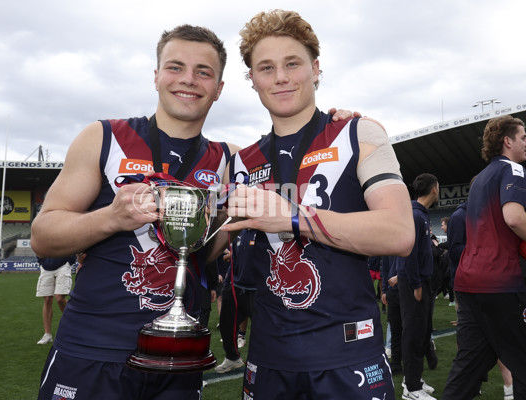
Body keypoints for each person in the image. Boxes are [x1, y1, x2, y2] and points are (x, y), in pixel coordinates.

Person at [31, 24, 238, 400]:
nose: (188, 80)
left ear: (218, 88)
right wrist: (110, 217)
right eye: (175, 67)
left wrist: (345, 123)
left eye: (203, 72)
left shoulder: (228, 160)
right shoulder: (105, 137)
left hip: (179, 356)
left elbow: (205, 254)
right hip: (94, 350)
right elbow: (43, 237)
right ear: (156, 76)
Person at [221, 9, 414, 399]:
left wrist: (292, 216)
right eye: (266, 67)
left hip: (348, 357)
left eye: (292, 63)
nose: (280, 77)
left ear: (316, 68)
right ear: (252, 80)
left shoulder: (359, 132)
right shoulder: (240, 164)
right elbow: (209, 244)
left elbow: (399, 233)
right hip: (269, 360)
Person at [443, 115, 526, 400]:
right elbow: (514, 218)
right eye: (523, 138)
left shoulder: (480, 180)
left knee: (468, 368)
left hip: (469, 281)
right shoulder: (512, 169)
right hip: (501, 281)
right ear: (508, 141)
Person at [393, 173, 439, 400]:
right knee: (413, 333)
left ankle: (413, 379)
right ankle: (411, 389)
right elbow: (408, 253)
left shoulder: (421, 214)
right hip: (413, 282)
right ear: (434, 189)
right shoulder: (414, 215)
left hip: (420, 280)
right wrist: (416, 284)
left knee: (421, 332)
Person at [215, 231, 256, 374]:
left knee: (261, 332)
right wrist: (227, 284)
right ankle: (232, 357)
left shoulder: (264, 231)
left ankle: (261, 364)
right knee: (226, 325)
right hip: (235, 287)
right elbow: (236, 258)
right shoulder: (240, 232)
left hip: (257, 290)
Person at [35, 255, 76, 345]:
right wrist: (42, 262)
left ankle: (74, 323)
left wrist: (69, 261)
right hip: (46, 267)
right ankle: (47, 334)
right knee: (47, 299)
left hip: (63, 265)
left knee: (59, 298)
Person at [381, 255, 403, 375]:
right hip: (393, 292)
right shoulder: (387, 245)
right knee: (395, 330)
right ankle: (396, 363)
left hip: (408, 290)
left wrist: (400, 277)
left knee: (409, 330)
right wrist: (384, 290)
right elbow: (385, 268)